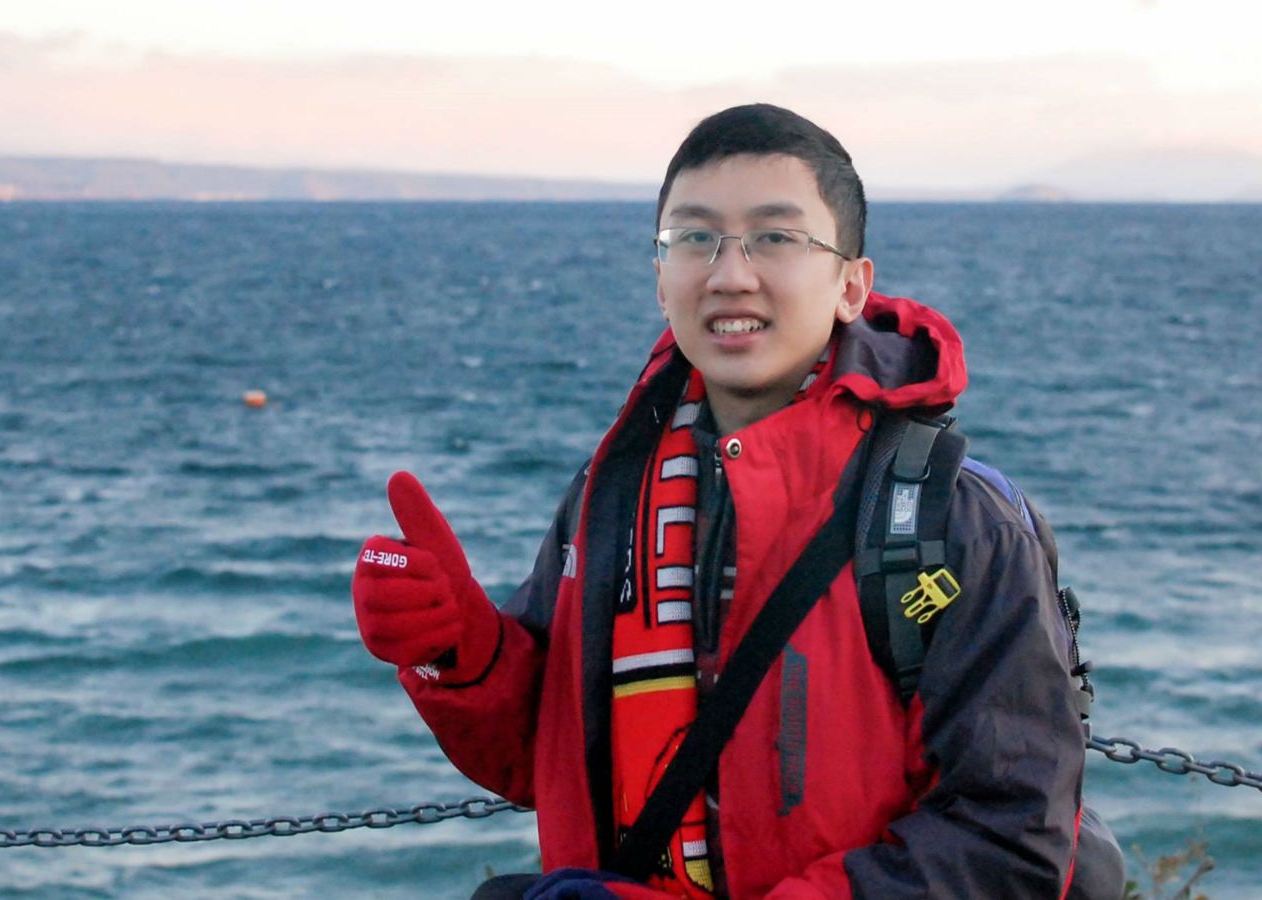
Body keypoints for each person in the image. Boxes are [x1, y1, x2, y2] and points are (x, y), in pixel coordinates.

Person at [352, 104, 1090, 898]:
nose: (729, 272)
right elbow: (545, 754)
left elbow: (1010, 839)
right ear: (660, 277)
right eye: (694, 238)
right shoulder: (613, 494)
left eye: (776, 237)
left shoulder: (951, 517)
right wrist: (458, 651)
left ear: (850, 284)